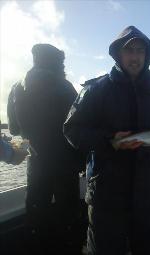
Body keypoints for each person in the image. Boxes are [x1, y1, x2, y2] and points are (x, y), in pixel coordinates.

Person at [64, 25, 150, 255]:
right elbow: (71, 130)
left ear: (147, 55)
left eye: (140, 51)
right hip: (107, 190)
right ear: (118, 53)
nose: (135, 56)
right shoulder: (96, 89)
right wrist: (109, 140)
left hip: (147, 189)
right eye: (129, 50)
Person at [7, 44, 82, 254]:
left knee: (36, 213)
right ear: (58, 62)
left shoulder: (16, 88)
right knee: (68, 215)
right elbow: (78, 127)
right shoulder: (66, 88)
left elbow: (13, 128)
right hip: (66, 163)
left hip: (36, 162)